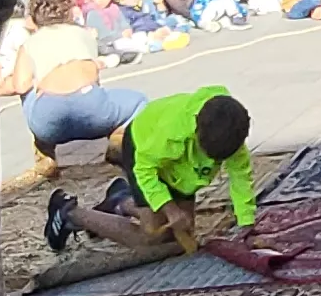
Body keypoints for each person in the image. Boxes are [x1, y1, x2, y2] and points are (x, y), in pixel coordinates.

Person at [60, 87, 281, 267]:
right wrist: (170, 209)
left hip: (181, 170)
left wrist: (247, 227)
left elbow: (241, 181)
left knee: (180, 237)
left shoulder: (231, 133)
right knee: (150, 237)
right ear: (196, 132)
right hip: (142, 151)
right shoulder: (171, 133)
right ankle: (70, 213)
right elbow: (144, 170)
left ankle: (121, 201)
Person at [0, 0, 141, 187]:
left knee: (29, 88)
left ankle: (45, 155)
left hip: (48, 124)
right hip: (94, 113)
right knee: (138, 101)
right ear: (69, 12)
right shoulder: (84, 35)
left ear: (33, 19)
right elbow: (92, 74)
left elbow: (20, 85)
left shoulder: (29, 44)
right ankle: (118, 140)